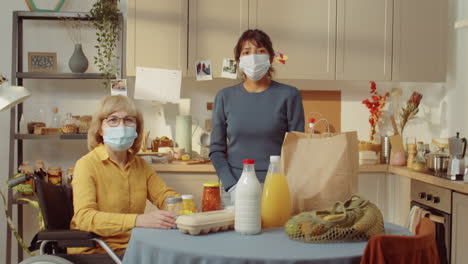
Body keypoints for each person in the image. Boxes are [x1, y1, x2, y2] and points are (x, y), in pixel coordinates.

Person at [69, 95, 180, 255]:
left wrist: (183, 208)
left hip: (132, 246)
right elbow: (84, 218)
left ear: (136, 129)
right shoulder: (86, 165)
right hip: (98, 251)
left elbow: (164, 195)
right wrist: (138, 220)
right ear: (100, 129)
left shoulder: (140, 165)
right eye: (113, 120)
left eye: (128, 120)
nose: (121, 125)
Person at [209, 29, 305, 204]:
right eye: (246, 52)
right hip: (235, 188)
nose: (253, 57)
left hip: (276, 188)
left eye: (260, 51)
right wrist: (232, 186)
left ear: (270, 57)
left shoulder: (289, 95)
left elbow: (297, 149)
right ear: (239, 61)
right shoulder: (224, 96)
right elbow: (216, 150)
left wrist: (284, 186)